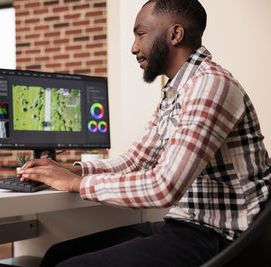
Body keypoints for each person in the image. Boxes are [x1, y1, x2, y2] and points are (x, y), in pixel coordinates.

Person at [18, 0, 271, 266]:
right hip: (188, 225)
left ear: (175, 34)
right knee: (57, 255)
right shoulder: (176, 92)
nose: (134, 48)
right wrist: (72, 170)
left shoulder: (211, 84)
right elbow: (136, 160)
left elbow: (165, 186)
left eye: (141, 34)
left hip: (224, 236)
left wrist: (76, 184)